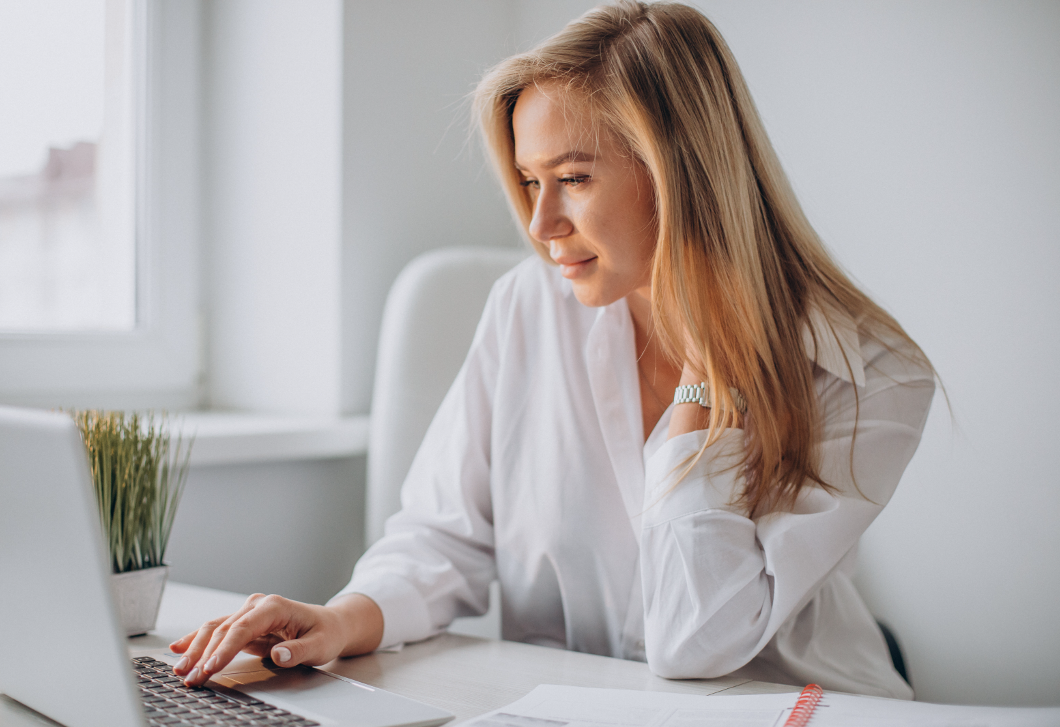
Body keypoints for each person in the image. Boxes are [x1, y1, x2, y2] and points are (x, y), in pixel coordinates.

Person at [171, 1, 935, 699]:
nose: (540, 224)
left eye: (572, 178)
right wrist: (340, 619)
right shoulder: (526, 307)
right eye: (531, 180)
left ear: (683, 176)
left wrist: (702, 390)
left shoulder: (869, 372)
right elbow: (442, 533)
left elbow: (696, 641)